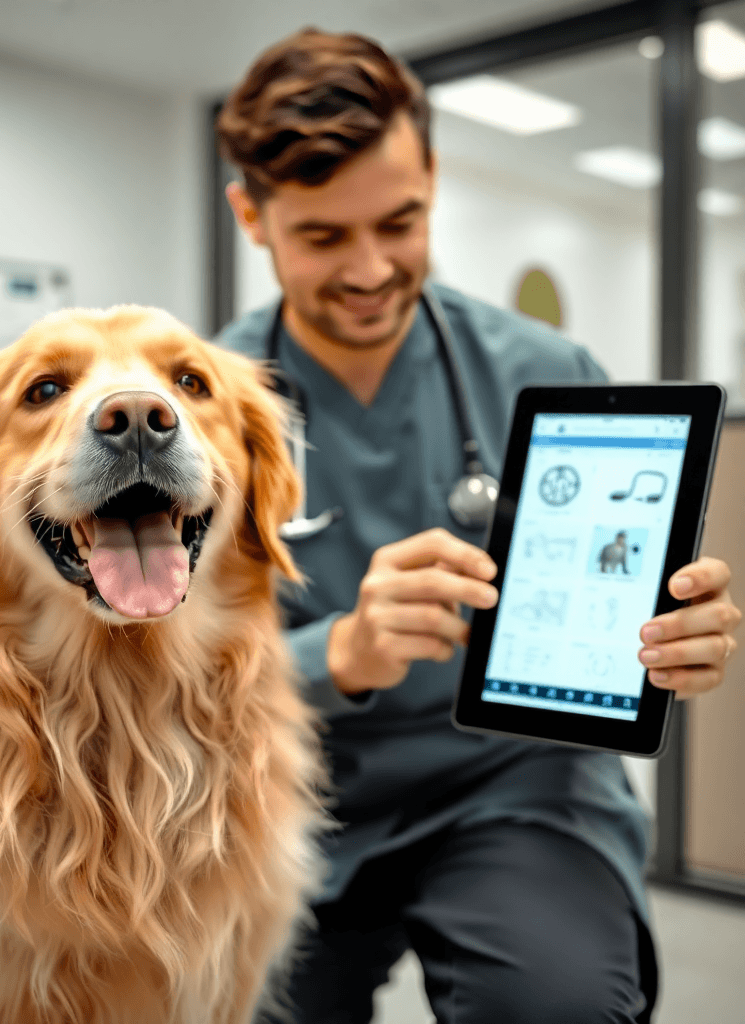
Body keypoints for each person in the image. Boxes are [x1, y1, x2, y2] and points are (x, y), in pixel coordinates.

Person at [213, 28, 742, 1024]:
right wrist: (344, 649)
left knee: (560, 1006)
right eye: (324, 236)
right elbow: (160, 672)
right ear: (252, 216)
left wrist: (666, 637)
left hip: (514, 781)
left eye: (400, 223)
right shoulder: (198, 405)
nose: (370, 269)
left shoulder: (542, 370)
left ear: (432, 182)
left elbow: (609, 613)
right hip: (286, 796)